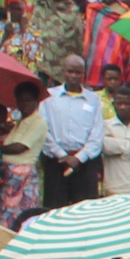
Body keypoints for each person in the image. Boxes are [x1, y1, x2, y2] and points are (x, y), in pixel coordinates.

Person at [37, 63, 107, 209]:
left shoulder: (93, 99)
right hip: (55, 162)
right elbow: (42, 129)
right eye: (70, 71)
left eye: (78, 72)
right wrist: (61, 154)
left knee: (85, 209)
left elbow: (97, 133)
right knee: (55, 209)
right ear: (63, 72)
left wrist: (79, 158)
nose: (74, 76)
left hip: (85, 163)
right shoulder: (48, 96)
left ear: (83, 74)